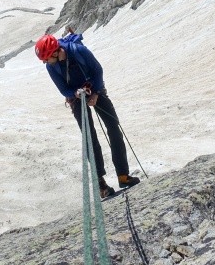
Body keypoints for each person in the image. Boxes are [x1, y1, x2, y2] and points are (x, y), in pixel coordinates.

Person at [35, 32, 140, 198]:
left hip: (95, 87)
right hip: (76, 98)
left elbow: (97, 70)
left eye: (47, 58)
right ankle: (101, 184)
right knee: (89, 137)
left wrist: (96, 93)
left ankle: (123, 175)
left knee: (113, 127)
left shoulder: (78, 51)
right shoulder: (51, 66)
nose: (45, 62)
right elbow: (63, 89)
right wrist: (76, 94)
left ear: (55, 52)